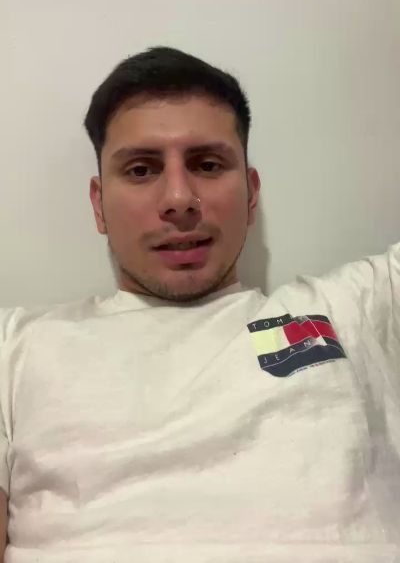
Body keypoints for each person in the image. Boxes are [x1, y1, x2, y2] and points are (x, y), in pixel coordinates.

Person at [0, 46, 399, 563]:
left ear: (251, 194)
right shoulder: (15, 346)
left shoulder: (355, 307)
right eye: (141, 170)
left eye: (208, 164)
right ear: (98, 205)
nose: (179, 199)